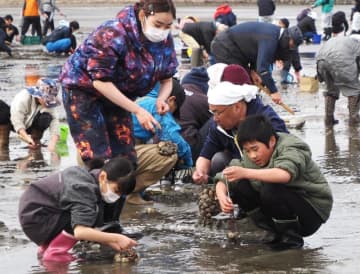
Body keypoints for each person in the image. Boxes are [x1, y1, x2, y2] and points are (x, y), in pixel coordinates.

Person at [59, 0, 177, 169]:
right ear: (143, 15)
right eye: (158, 24)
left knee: (125, 155)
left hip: (119, 94)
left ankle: (124, 194)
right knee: (98, 156)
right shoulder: (113, 33)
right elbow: (100, 81)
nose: (163, 31)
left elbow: (167, 78)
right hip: (83, 89)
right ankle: (94, 191)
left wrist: (161, 99)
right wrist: (137, 110)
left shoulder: (164, 41)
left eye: (168, 26)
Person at [215, 115, 333, 250]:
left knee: (270, 189)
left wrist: (246, 172)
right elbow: (224, 176)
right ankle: (270, 232)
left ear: (271, 141)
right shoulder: (249, 158)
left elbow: (284, 174)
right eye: (247, 151)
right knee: (241, 185)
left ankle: (291, 241)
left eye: (255, 149)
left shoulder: (292, 146)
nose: (252, 155)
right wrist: (222, 196)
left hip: (312, 211)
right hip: (281, 207)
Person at [18, 156, 138, 262]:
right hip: (36, 218)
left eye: (120, 194)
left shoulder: (92, 177)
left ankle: (46, 248)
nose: (116, 197)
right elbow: (80, 231)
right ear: (103, 176)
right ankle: (55, 253)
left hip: (39, 210)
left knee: (87, 214)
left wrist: (112, 242)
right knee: (84, 217)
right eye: (116, 190)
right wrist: (117, 238)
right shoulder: (83, 189)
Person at [192, 63, 288, 185]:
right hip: (240, 169)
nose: (215, 119)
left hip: (269, 174)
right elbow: (205, 154)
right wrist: (200, 172)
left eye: (218, 113)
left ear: (237, 107)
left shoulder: (266, 120)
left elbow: (286, 158)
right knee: (218, 160)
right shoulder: (219, 124)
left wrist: (247, 172)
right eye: (213, 113)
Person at [128, 78, 191, 203]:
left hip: (100, 156)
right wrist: (188, 159)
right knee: (169, 154)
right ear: (171, 100)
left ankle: (134, 191)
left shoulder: (139, 98)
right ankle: (129, 193)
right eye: (174, 110)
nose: (171, 114)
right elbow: (171, 135)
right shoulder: (156, 105)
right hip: (118, 157)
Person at [211, 22, 304, 104]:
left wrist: (253, 71)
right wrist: (274, 91)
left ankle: (250, 111)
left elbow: (254, 52)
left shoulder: (276, 35)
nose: (290, 48)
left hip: (238, 51)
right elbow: (263, 69)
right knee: (239, 82)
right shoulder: (270, 38)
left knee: (250, 82)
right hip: (224, 46)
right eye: (291, 45)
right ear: (288, 37)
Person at [0, 78, 60, 152]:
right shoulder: (22, 98)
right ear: (38, 95)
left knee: (46, 117)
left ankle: (35, 139)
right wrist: (27, 138)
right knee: (3, 112)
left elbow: (54, 120)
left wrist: (53, 142)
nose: (48, 102)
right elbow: (17, 121)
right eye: (46, 99)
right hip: (14, 123)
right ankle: (3, 145)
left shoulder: (48, 103)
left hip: (32, 124)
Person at [316, 34, 360, 126]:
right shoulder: (357, 45)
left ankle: (328, 119)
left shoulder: (341, 40)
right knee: (354, 90)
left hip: (321, 60)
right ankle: (354, 119)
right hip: (340, 60)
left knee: (331, 90)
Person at [179, 67, 212, 162]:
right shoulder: (203, 100)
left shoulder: (172, 94)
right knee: (217, 119)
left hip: (161, 146)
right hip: (189, 150)